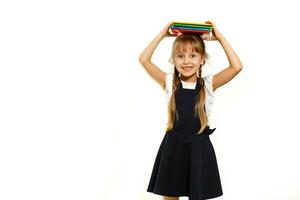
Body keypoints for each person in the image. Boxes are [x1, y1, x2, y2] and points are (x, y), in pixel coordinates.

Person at [138, 20, 243, 200]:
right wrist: (163, 33)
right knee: (170, 196)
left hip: (199, 147)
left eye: (193, 55)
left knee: (198, 194)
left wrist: (219, 37)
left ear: (202, 59)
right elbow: (143, 59)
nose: (186, 61)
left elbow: (237, 66)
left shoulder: (209, 84)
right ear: (173, 60)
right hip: (173, 147)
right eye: (180, 56)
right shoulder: (170, 82)